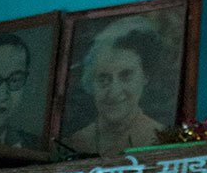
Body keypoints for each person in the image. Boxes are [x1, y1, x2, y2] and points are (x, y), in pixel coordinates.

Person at [67, 20, 163, 156]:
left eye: (126, 76)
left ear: (145, 77)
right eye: (103, 79)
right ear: (90, 82)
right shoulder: (76, 142)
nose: (114, 91)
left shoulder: (159, 139)